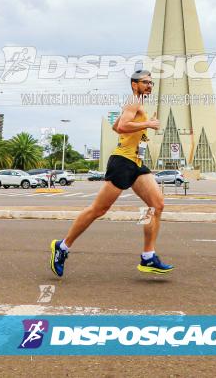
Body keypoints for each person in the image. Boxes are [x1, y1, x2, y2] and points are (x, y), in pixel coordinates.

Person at [49, 70, 173, 277]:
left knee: (156, 204)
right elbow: (124, 125)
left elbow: (117, 127)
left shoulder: (138, 104)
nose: (150, 85)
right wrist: (148, 124)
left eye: (151, 82)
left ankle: (148, 256)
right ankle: (62, 246)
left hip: (137, 163)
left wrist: (138, 127)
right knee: (98, 210)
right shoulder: (133, 101)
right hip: (122, 162)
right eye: (145, 82)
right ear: (134, 85)